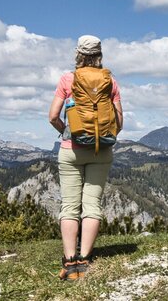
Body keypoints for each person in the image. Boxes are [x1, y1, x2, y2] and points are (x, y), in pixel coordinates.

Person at [48, 35, 123, 280]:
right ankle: (85, 259)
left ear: (78, 54)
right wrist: (103, 137)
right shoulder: (110, 81)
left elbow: (52, 116)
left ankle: (70, 264)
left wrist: (66, 132)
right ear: (99, 55)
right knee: (92, 205)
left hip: (71, 149)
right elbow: (119, 121)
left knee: (69, 206)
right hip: (101, 150)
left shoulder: (67, 79)